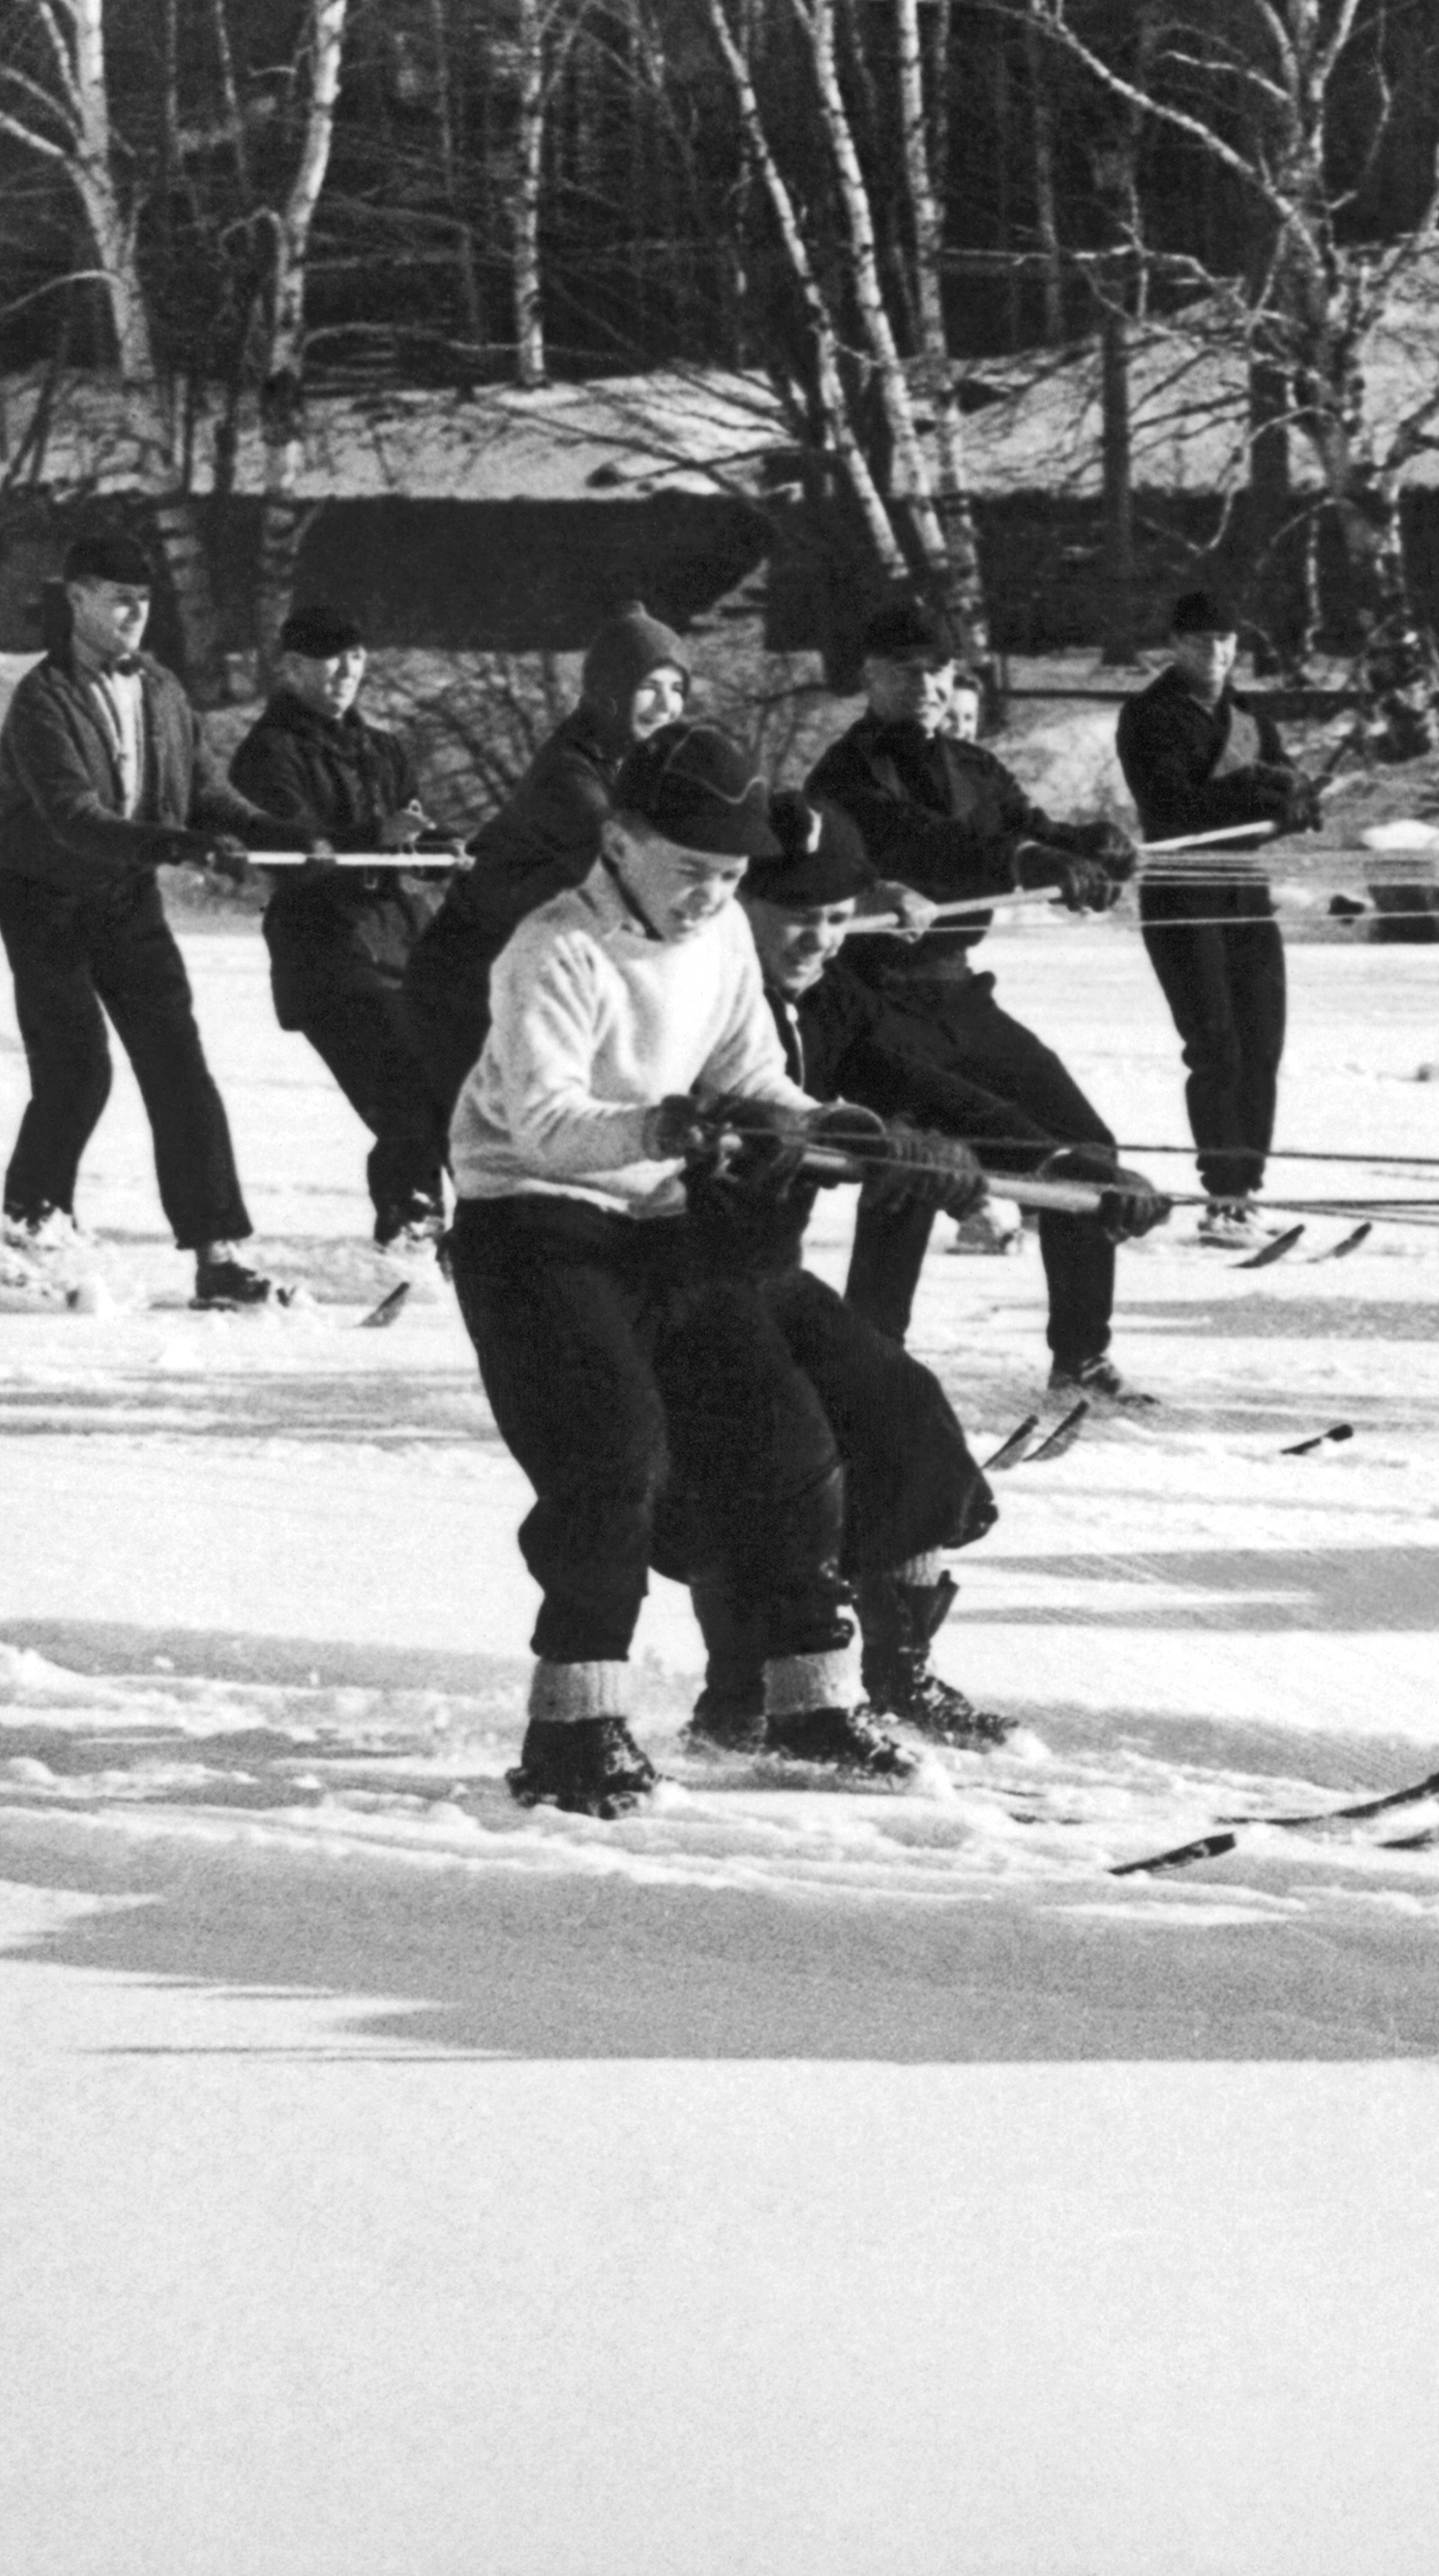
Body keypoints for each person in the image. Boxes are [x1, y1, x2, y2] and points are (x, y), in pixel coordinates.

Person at [446, 718, 912, 1818]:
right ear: (622, 839)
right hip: (535, 1225)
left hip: (659, 1220)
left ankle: (810, 1704)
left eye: (734, 876)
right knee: (612, 1454)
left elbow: (752, 1069)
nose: (713, 895)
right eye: (695, 870)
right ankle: (575, 1724)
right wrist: (665, 1124)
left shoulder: (720, 942)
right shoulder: (551, 951)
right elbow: (550, 1124)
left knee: (787, 1438)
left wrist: (836, 1125)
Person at [658, 792, 1024, 1752]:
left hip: (769, 1274)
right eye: (792, 915)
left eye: (832, 916)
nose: (815, 937)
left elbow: (911, 1077)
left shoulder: (832, 999)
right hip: (671, 1278)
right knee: (771, 1459)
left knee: (903, 1411)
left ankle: (895, 1675)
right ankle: (743, 1695)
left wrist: (1070, 1164)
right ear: (739, 906)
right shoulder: (685, 994)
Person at [808, 606, 1160, 1442]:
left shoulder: (972, 762)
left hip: (962, 995)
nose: (922, 686)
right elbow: (921, 843)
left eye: (936, 671)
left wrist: (1086, 845)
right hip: (879, 1003)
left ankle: (1080, 1356)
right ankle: (867, 1363)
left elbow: (1021, 830)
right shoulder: (843, 777)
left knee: (1084, 1150)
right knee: (916, 1170)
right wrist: (1022, 862)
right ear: (870, 679)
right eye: (901, 670)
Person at [0, 528, 283, 1311]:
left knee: (179, 1069)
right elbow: (73, 817)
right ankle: (35, 1228)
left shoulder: (159, 688)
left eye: (143, 602)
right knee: (78, 1071)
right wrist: (179, 844)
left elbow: (206, 794)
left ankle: (218, 1255)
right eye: (118, 600)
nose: (133, 615)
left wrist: (278, 836)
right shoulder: (41, 699)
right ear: (77, 598)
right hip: (43, 900)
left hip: (124, 899)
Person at [227, 604, 449, 1256]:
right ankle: (408, 1229)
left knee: (448, 1089)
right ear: (291, 667)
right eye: (329, 658)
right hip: (325, 957)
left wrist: (436, 848)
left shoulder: (382, 748)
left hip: (404, 944)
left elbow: (412, 828)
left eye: (355, 656)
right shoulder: (266, 755)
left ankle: (462, 1230)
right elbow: (291, 857)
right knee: (402, 1095)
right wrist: (374, 840)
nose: (346, 671)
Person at [402, 604, 692, 1106]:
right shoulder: (569, 775)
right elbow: (635, 863)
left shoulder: (636, 765)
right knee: (485, 1151)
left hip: (525, 979)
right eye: (650, 687)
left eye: (677, 689)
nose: (665, 706)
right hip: (465, 983)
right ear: (609, 693)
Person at [1113, 588, 1321, 1237]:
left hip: (1244, 891)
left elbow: (1273, 797)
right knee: (1217, 1048)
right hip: (1182, 892)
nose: (1218, 653)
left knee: (1262, 1043)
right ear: (1175, 645)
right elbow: (1173, 806)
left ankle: (1247, 1186)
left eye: (1228, 641)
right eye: (1203, 641)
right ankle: (1222, 1191)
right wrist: (1255, 789)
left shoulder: (1252, 717)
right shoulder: (1148, 716)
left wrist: (1295, 803)